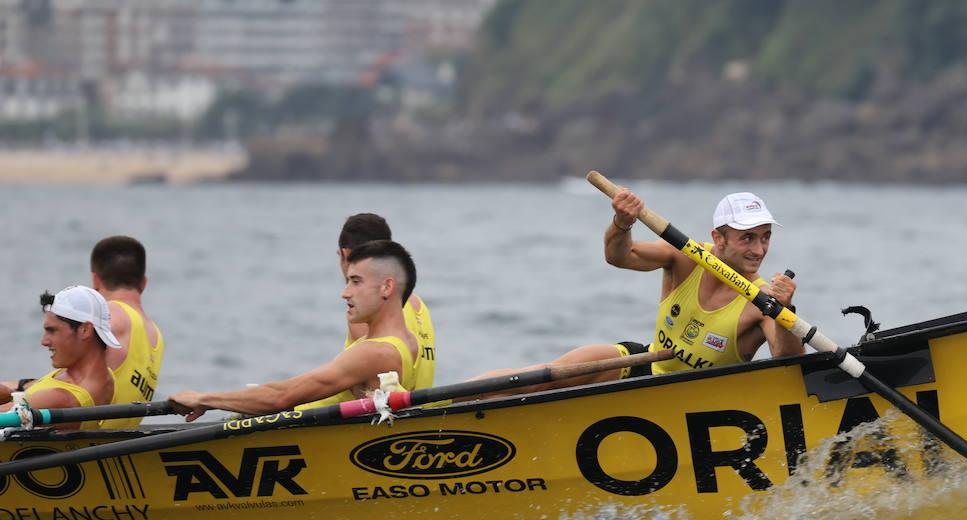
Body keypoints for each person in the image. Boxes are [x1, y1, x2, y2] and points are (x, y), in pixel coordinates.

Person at [477, 188, 801, 391]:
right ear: (718, 238)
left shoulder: (762, 301)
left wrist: (786, 313)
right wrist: (622, 223)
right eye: (748, 238)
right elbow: (619, 256)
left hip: (699, 395)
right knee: (552, 373)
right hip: (649, 363)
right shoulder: (686, 257)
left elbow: (787, 360)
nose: (759, 250)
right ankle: (442, 403)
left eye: (765, 237)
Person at [170, 240, 420, 421]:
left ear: (387, 287)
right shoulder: (408, 340)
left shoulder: (373, 352)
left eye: (356, 281)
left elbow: (281, 397)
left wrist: (204, 399)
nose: (345, 293)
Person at [337, 214, 436, 390]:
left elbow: (370, 386)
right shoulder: (418, 304)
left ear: (346, 254)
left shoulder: (366, 312)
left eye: (339, 256)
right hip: (420, 407)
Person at [1, 286, 121, 423]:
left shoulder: (63, 398)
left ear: (85, 330)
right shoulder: (106, 376)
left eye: (52, 331)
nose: (44, 341)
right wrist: (9, 394)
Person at [89, 235, 164, 428]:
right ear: (144, 283)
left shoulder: (110, 314)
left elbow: (70, 388)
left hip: (78, 443)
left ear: (95, 280)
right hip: (115, 444)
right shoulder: (155, 334)